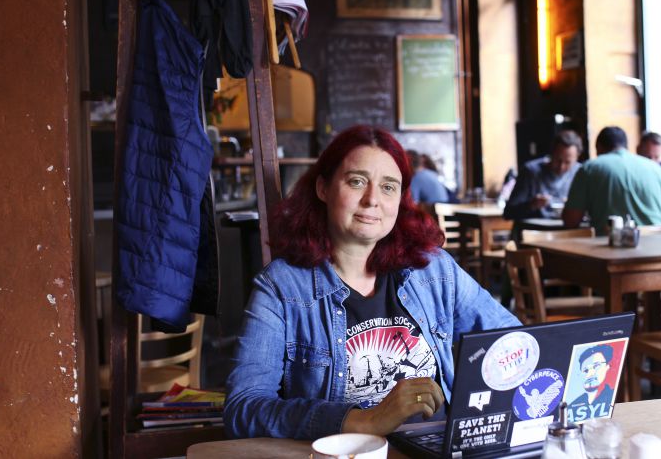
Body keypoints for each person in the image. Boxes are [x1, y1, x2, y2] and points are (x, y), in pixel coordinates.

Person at [224, 125, 519, 440]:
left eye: (388, 187)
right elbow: (243, 408)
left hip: (435, 447)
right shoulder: (283, 286)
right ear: (323, 188)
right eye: (357, 181)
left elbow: (514, 342)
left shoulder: (433, 270)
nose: (372, 200)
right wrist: (363, 420)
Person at [563, 126, 661, 234]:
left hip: (608, 245)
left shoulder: (589, 168)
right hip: (656, 244)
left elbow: (571, 221)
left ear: (599, 147)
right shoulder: (660, 171)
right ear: (626, 146)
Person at [503, 130, 582, 221]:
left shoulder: (580, 172)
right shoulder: (530, 171)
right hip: (532, 229)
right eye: (558, 160)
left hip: (565, 228)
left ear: (577, 157)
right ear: (551, 154)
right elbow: (508, 213)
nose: (561, 166)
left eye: (567, 162)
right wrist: (532, 205)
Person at [567, 344, 615, 421]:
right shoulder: (571, 407)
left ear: (607, 367)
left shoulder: (613, 397)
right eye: (586, 370)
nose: (590, 374)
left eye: (596, 366)